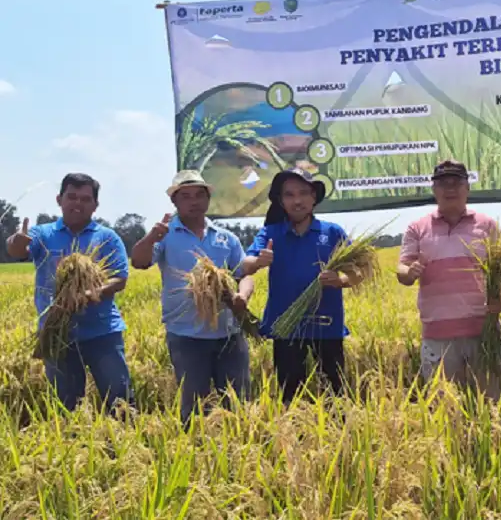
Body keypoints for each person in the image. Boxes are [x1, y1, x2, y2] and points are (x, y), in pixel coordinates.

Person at [130, 170, 255, 425]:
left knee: (237, 403)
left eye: (199, 195)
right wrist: (152, 236)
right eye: (185, 196)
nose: (193, 201)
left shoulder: (225, 237)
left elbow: (244, 273)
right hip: (186, 335)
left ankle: (237, 451)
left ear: (208, 199)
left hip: (229, 333)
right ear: (175, 202)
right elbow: (139, 262)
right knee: (194, 406)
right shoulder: (165, 235)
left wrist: (243, 295)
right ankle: (196, 453)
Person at [5, 173, 134, 413]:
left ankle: (121, 440)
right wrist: (17, 240)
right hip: (56, 332)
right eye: (71, 196)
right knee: (67, 403)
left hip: (102, 331)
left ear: (95, 204)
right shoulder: (42, 234)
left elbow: (120, 278)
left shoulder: (107, 237)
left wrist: (90, 293)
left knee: (119, 397)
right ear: (59, 199)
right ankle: (72, 441)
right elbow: (17, 249)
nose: (78, 203)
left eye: (86, 199)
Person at [241, 168, 362, 404]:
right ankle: (294, 439)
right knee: (290, 395)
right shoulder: (271, 232)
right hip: (286, 328)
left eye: (304, 193)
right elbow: (245, 264)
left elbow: (359, 271)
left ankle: (339, 438)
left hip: (326, 327)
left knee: (334, 394)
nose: (297, 200)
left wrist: (341, 281)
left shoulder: (332, 232)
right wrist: (258, 261)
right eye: (289, 195)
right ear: (281, 201)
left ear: (313, 197)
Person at [396, 160, 501, 400]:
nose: (450, 189)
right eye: (443, 183)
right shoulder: (418, 228)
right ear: (434, 190)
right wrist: (409, 272)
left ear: (467, 188)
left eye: (457, 182)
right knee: (445, 409)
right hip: (438, 335)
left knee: (490, 406)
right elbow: (402, 270)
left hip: (484, 333)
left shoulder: (486, 225)